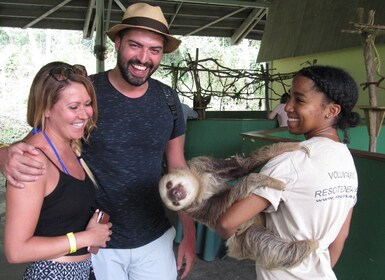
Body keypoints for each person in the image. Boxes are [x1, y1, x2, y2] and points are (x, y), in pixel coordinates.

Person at [0, 3, 196, 280]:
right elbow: (35, 142)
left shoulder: (168, 100)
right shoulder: (86, 93)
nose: (143, 58)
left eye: (154, 50)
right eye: (134, 45)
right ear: (117, 43)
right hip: (97, 243)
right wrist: (5, 155)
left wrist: (189, 232)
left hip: (155, 237)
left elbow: (178, 169)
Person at [216, 65, 360, 279]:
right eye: (290, 98)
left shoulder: (291, 161)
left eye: (299, 100)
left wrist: (250, 243)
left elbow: (226, 223)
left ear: (332, 110)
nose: (288, 107)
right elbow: (341, 236)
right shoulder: (346, 160)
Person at [4, 62, 112, 279]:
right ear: (45, 108)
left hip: (82, 270)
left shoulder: (70, 145)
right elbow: (16, 251)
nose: (85, 114)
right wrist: (85, 238)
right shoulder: (32, 162)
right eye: (73, 107)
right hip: (52, 273)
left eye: (88, 104)